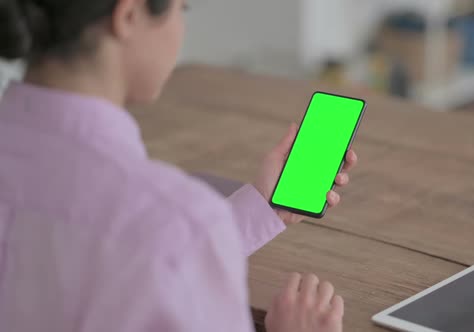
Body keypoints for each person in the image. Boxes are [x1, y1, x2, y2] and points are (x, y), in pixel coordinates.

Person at [0, 0, 359, 331]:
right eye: (181, 8)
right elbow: (157, 243)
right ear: (128, 15)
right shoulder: (174, 222)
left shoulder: (172, 228)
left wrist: (262, 209)